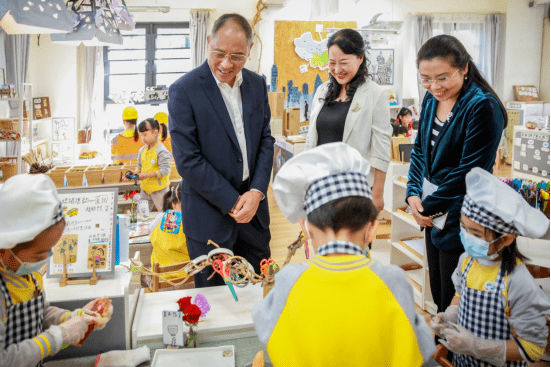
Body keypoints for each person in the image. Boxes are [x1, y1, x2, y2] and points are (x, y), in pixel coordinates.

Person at [253, 142, 435, 366]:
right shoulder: (393, 282)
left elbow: (270, 350)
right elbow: (422, 353)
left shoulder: (289, 282)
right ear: (372, 229)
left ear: (305, 227)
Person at [168, 13, 275, 288]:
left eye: (237, 56)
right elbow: (188, 160)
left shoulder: (257, 84)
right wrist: (232, 201)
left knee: (259, 294)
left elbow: (265, 140)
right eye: (219, 53)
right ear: (207, 43)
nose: (227, 64)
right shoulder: (184, 91)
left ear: (250, 50)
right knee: (214, 304)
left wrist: (257, 192)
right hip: (209, 220)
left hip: (254, 216)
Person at [406, 35, 507, 315]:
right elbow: (419, 152)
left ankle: (455, 354)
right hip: (432, 210)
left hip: (463, 214)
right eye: (425, 79)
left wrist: (425, 206)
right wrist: (413, 193)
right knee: (438, 289)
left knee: (457, 297)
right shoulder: (430, 100)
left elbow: (468, 172)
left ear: (464, 68)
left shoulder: (482, 106)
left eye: (442, 77)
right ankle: (443, 350)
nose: (434, 86)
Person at [431, 167, 550, 366]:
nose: (467, 238)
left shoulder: (517, 281)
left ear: (506, 239)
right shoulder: (466, 261)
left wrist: (477, 346)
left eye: (476, 234)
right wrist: (450, 315)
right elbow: (460, 295)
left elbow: (533, 349)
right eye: (464, 228)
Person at [0, 174, 113, 367]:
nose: (47, 258)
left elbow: (40, 312)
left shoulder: (27, 273)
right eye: (38, 255)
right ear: (5, 249)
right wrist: (57, 337)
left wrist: (75, 318)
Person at [304, 29, 392, 212]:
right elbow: (311, 141)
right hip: (320, 187)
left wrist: (377, 193)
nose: (337, 70)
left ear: (360, 58)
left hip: (355, 190)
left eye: (344, 62)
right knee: (321, 240)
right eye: (332, 63)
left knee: (352, 240)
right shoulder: (322, 91)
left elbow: (381, 147)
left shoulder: (375, 94)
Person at [143, 182, 191, 291]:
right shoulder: (199, 224)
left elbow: (151, 234)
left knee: (141, 273)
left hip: (162, 285)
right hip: (191, 283)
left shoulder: (160, 220)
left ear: (173, 204)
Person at [131, 118, 172, 212]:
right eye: (141, 135)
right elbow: (139, 167)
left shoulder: (161, 151)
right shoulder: (142, 150)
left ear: (155, 133)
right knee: (140, 215)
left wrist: (145, 176)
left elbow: (165, 171)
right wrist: (135, 173)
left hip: (160, 191)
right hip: (145, 190)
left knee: (166, 215)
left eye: (145, 135)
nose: (142, 138)